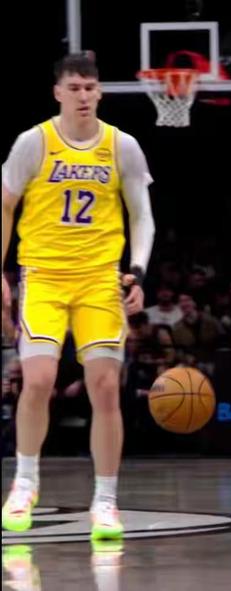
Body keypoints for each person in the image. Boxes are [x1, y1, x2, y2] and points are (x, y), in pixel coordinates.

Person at [1, 53, 155, 540]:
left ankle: (105, 502)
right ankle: (25, 484)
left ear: (100, 92)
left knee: (105, 387)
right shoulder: (34, 142)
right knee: (39, 379)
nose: (84, 96)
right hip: (44, 275)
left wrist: (137, 271)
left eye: (90, 87)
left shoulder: (122, 146)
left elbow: (142, 216)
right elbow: (5, 206)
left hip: (99, 278)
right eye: (75, 88)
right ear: (58, 93)